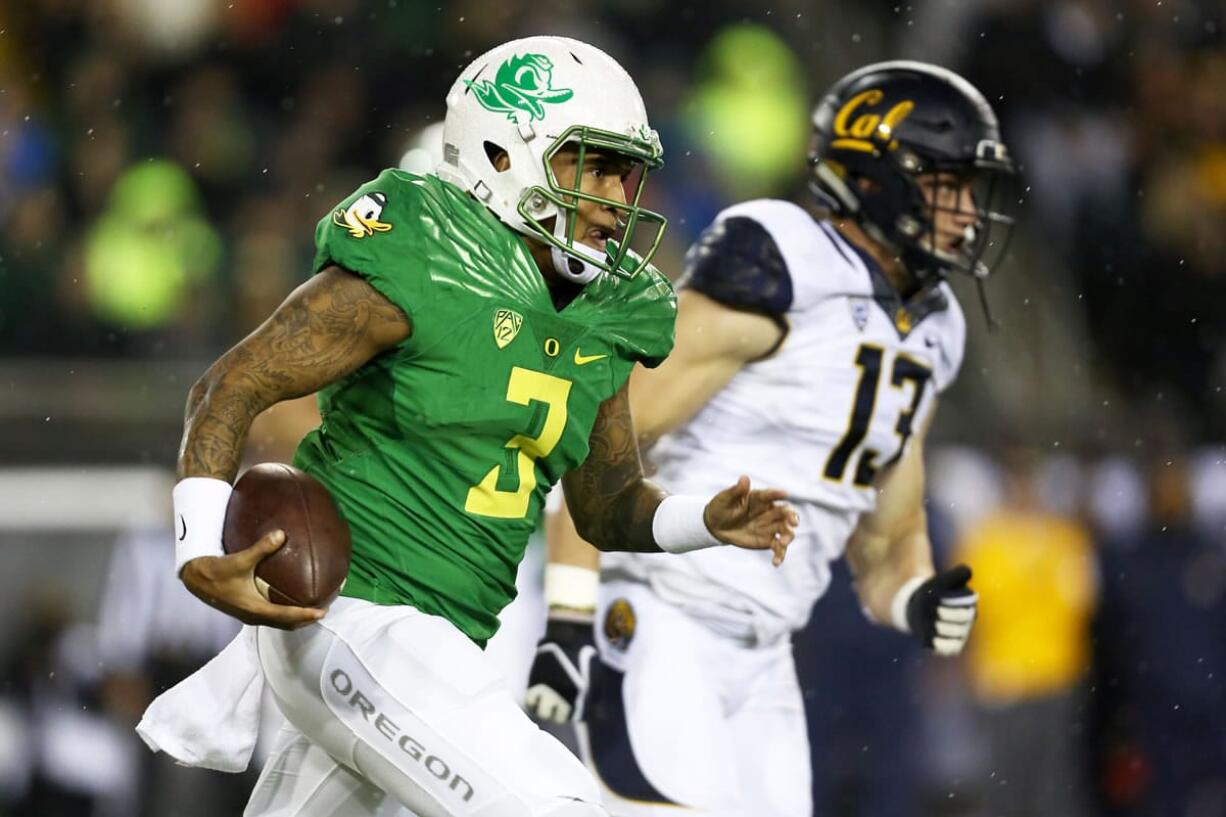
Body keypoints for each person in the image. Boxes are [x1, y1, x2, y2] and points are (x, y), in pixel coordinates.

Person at [137, 36, 798, 817]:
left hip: (443, 638)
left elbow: (607, 504)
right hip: (356, 613)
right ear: (504, 151)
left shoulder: (611, 308)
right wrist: (198, 547)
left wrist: (703, 519)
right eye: (593, 164)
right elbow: (230, 384)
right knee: (553, 804)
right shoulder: (429, 254)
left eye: (628, 170)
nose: (618, 195)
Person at [525, 61, 1015, 816]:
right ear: (883, 173)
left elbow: (889, 540)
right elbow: (601, 426)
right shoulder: (785, 263)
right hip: (662, 622)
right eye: (945, 184)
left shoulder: (935, 327)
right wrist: (566, 614)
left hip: (767, 658)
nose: (966, 214)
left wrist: (916, 596)